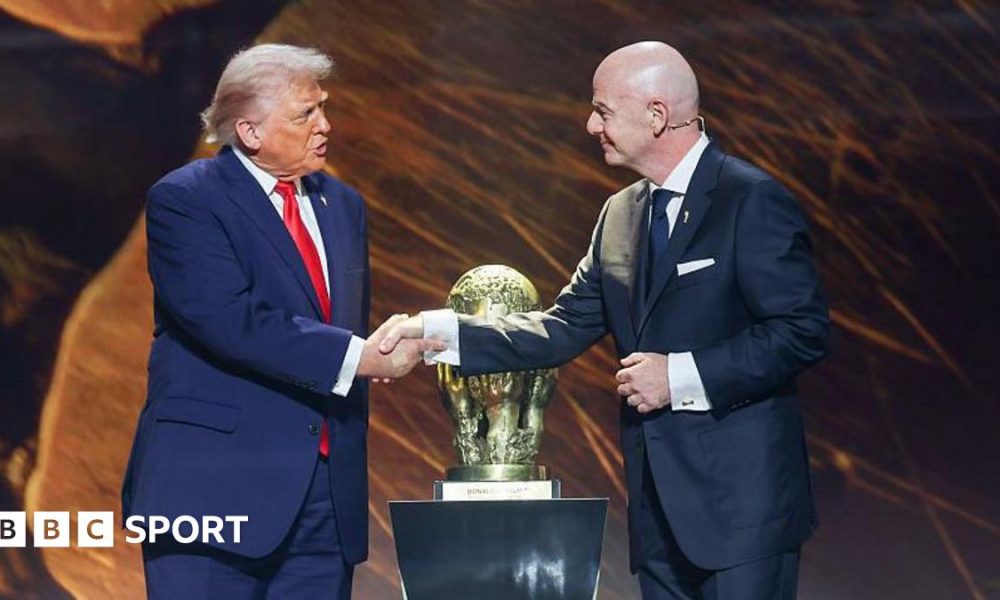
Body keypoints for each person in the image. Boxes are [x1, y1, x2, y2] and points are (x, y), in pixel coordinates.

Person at [381, 41, 830, 599]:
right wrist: (435, 330)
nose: (590, 124)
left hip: (743, 513)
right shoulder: (620, 214)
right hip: (658, 516)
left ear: (658, 115)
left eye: (603, 111)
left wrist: (680, 377)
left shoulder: (750, 200)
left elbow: (801, 330)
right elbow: (562, 326)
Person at [120, 44, 442, 599]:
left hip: (324, 498)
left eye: (323, 108)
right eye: (305, 114)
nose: (326, 125)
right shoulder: (186, 200)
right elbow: (226, 318)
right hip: (214, 491)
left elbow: (335, 326)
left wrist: (376, 349)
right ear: (249, 131)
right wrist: (355, 357)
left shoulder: (343, 205)